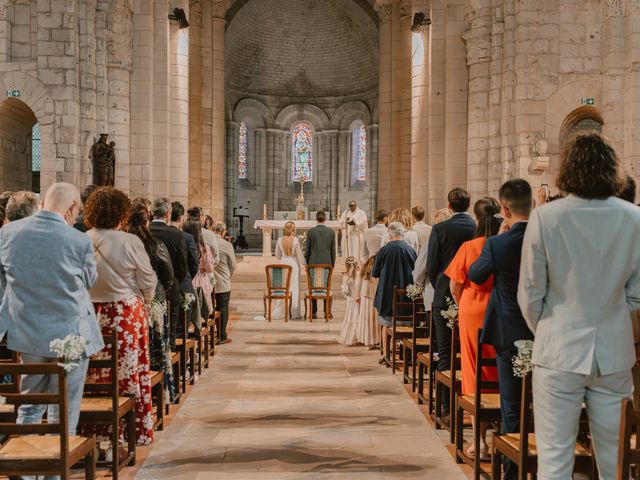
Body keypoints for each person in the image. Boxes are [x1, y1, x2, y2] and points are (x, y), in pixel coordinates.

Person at [517, 134, 640, 480]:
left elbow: (529, 291)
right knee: (615, 463)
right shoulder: (634, 218)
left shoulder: (546, 217)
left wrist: (547, 329)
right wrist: (614, 313)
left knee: (555, 463)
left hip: (557, 350)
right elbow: (638, 294)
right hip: (614, 353)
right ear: (611, 170)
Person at [0, 182, 103, 446]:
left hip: (28, 335)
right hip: (70, 337)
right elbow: (89, 280)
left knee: (30, 404)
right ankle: (56, 473)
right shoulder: (79, 240)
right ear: (71, 208)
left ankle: (25, 471)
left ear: (43, 203)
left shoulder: (8, 233)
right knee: (65, 407)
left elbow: (4, 284)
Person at [468, 179, 534, 479]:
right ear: (533, 204)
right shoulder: (549, 239)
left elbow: (476, 275)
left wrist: (496, 238)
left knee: (512, 404)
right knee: (543, 402)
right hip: (545, 332)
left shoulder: (498, 243)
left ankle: (512, 471)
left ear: (504, 209)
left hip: (509, 332)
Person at [85, 187, 157, 448]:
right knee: (128, 373)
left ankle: (95, 435)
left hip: (91, 313)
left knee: (95, 375)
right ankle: (131, 432)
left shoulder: (83, 239)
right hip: (125, 315)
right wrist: (145, 300)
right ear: (121, 213)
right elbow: (148, 279)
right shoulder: (130, 241)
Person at [445, 197, 502, 459]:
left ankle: (479, 442)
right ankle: (503, 434)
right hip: (501, 309)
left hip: (472, 308)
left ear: (477, 219)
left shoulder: (469, 246)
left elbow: (455, 285)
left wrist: (462, 303)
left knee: (474, 368)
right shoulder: (503, 245)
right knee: (500, 368)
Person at [420, 188, 476, 414]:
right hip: (471, 295)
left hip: (443, 295)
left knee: (445, 352)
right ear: (468, 205)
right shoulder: (476, 227)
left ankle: (445, 406)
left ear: (449, 206)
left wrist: (441, 284)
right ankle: (470, 403)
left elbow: (432, 265)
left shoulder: (440, 228)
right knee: (470, 353)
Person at [125, 201, 177, 402]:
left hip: (130, 304)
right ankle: (159, 393)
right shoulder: (155, 245)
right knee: (156, 348)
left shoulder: (125, 244)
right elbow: (168, 277)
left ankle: (136, 391)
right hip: (153, 303)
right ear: (146, 219)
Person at [372, 222, 417, 365]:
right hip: (406, 294)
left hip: (387, 293)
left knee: (386, 324)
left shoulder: (383, 250)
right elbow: (416, 272)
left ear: (390, 234)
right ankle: (405, 353)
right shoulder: (410, 250)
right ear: (403, 233)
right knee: (407, 324)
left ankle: (386, 354)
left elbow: (375, 272)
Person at [149, 198, 188, 349]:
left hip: (145, 289)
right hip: (171, 289)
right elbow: (182, 267)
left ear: (151, 213)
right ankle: (168, 356)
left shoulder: (143, 231)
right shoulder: (177, 235)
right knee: (169, 330)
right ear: (168, 214)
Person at [412, 206, 450, 314]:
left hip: (433, 291)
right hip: (453, 292)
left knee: (434, 328)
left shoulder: (433, 239)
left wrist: (419, 284)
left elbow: (421, 267)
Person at [172, 202, 199, 336]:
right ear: (181, 218)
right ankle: (183, 355)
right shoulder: (187, 237)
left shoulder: (152, 234)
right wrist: (186, 278)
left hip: (162, 288)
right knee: (181, 328)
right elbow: (194, 264)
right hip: (183, 286)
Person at [305, 210, 336, 318]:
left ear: (316, 219)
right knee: (326, 287)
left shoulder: (310, 232)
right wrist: (333, 264)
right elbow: (333, 250)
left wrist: (307, 262)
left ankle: (313, 312)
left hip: (313, 262)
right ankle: (327, 312)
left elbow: (307, 250)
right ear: (325, 219)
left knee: (313, 286)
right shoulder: (331, 232)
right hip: (327, 262)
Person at [273, 221, 306, 319]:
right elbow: (300, 256)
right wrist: (305, 263)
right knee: (294, 287)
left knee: (284, 287)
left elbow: (277, 255)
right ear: (293, 229)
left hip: (283, 263)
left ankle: (282, 310)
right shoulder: (295, 240)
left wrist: (284, 259)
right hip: (294, 264)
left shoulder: (279, 240)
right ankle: (294, 312)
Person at [183, 216, 214, 314]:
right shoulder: (204, 247)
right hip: (200, 281)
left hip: (185, 279)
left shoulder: (182, 244)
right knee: (200, 312)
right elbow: (209, 268)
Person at [213, 222, 236, 344]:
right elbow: (233, 265)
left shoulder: (207, 242)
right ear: (223, 231)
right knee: (223, 309)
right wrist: (228, 276)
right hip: (223, 282)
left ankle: (212, 334)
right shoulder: (226, 245)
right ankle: (221, 336)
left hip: (209, 284)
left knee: (212, 309)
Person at [356, 254, 380, 348]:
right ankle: (376, 340)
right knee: (374, 320)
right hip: (374, 297)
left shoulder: (365, 270)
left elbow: (359, 284)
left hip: (366, 296)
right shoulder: (377, 270)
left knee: (367, 319)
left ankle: (368, 341)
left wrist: (358, 296)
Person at [338, 256, 361, 346]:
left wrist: (343, 287)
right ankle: (359, 338)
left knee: (351, 318)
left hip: (351, 300)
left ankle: (351, 338)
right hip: (359, 300)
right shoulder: (360, 275)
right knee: (358, 318)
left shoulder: (346, 276)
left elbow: (345, 292)